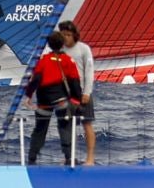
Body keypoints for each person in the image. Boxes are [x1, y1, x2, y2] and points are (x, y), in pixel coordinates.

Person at [24, 32, 82, 165]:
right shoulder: (68, 61)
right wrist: (77, 101)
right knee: (65, 128)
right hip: (62, 101)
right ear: (62, 44)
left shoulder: (43, 60)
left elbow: (36, 80)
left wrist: (28, 96)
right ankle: (69, 158)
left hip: (44, 101)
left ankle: (32, 159)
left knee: (40, 129)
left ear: (49, 44)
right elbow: (74, 82)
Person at [58, 20, 98, 166]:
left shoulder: (84, 49)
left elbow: (89, 71)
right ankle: (70, 157)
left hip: (82, 93)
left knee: (87, 124)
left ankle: (90, 159)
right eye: (63, 35)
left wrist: (87, 92)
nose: (66, 38)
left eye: (68, 35)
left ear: (74, 35)